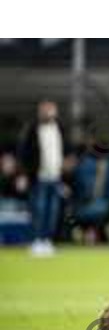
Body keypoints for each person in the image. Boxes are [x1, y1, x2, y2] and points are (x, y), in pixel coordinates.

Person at [17, 100, 70, 256]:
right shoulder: (32, 129)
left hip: (55, 176)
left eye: (51, 110)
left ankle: (47, 240)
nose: (48, 113)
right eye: (45, 110)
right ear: (40, 112)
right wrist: (24, 174)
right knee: (38, 210)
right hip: (39, 176)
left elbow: (64, 151)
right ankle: (36, 241)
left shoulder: (59, 128)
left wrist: (65, 168)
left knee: (52, 211)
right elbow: (24, 153)